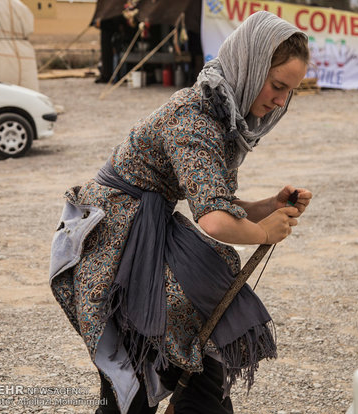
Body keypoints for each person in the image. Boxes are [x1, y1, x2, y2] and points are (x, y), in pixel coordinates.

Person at [49, 11, 312, 414]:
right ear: (250, 66)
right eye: (277, 86)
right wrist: (263, 233)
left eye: (288, 92)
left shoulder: (225, 115)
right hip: (115, 239)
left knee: (198, 344)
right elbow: (214, 220)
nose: (280, 100)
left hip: (148, 225)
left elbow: (215, 201)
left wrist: (266, 209)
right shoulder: (194, 118)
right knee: (134, 378)